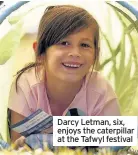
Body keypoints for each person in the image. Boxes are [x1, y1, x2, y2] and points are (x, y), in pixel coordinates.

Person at [8, 4, 120, 147]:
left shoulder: (100, 89)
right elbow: (16, 146)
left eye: (84, 45)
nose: (75, 53)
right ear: (40, 53)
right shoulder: (26, 85)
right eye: (64, 43)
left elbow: (115, 144)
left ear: (95, 54)